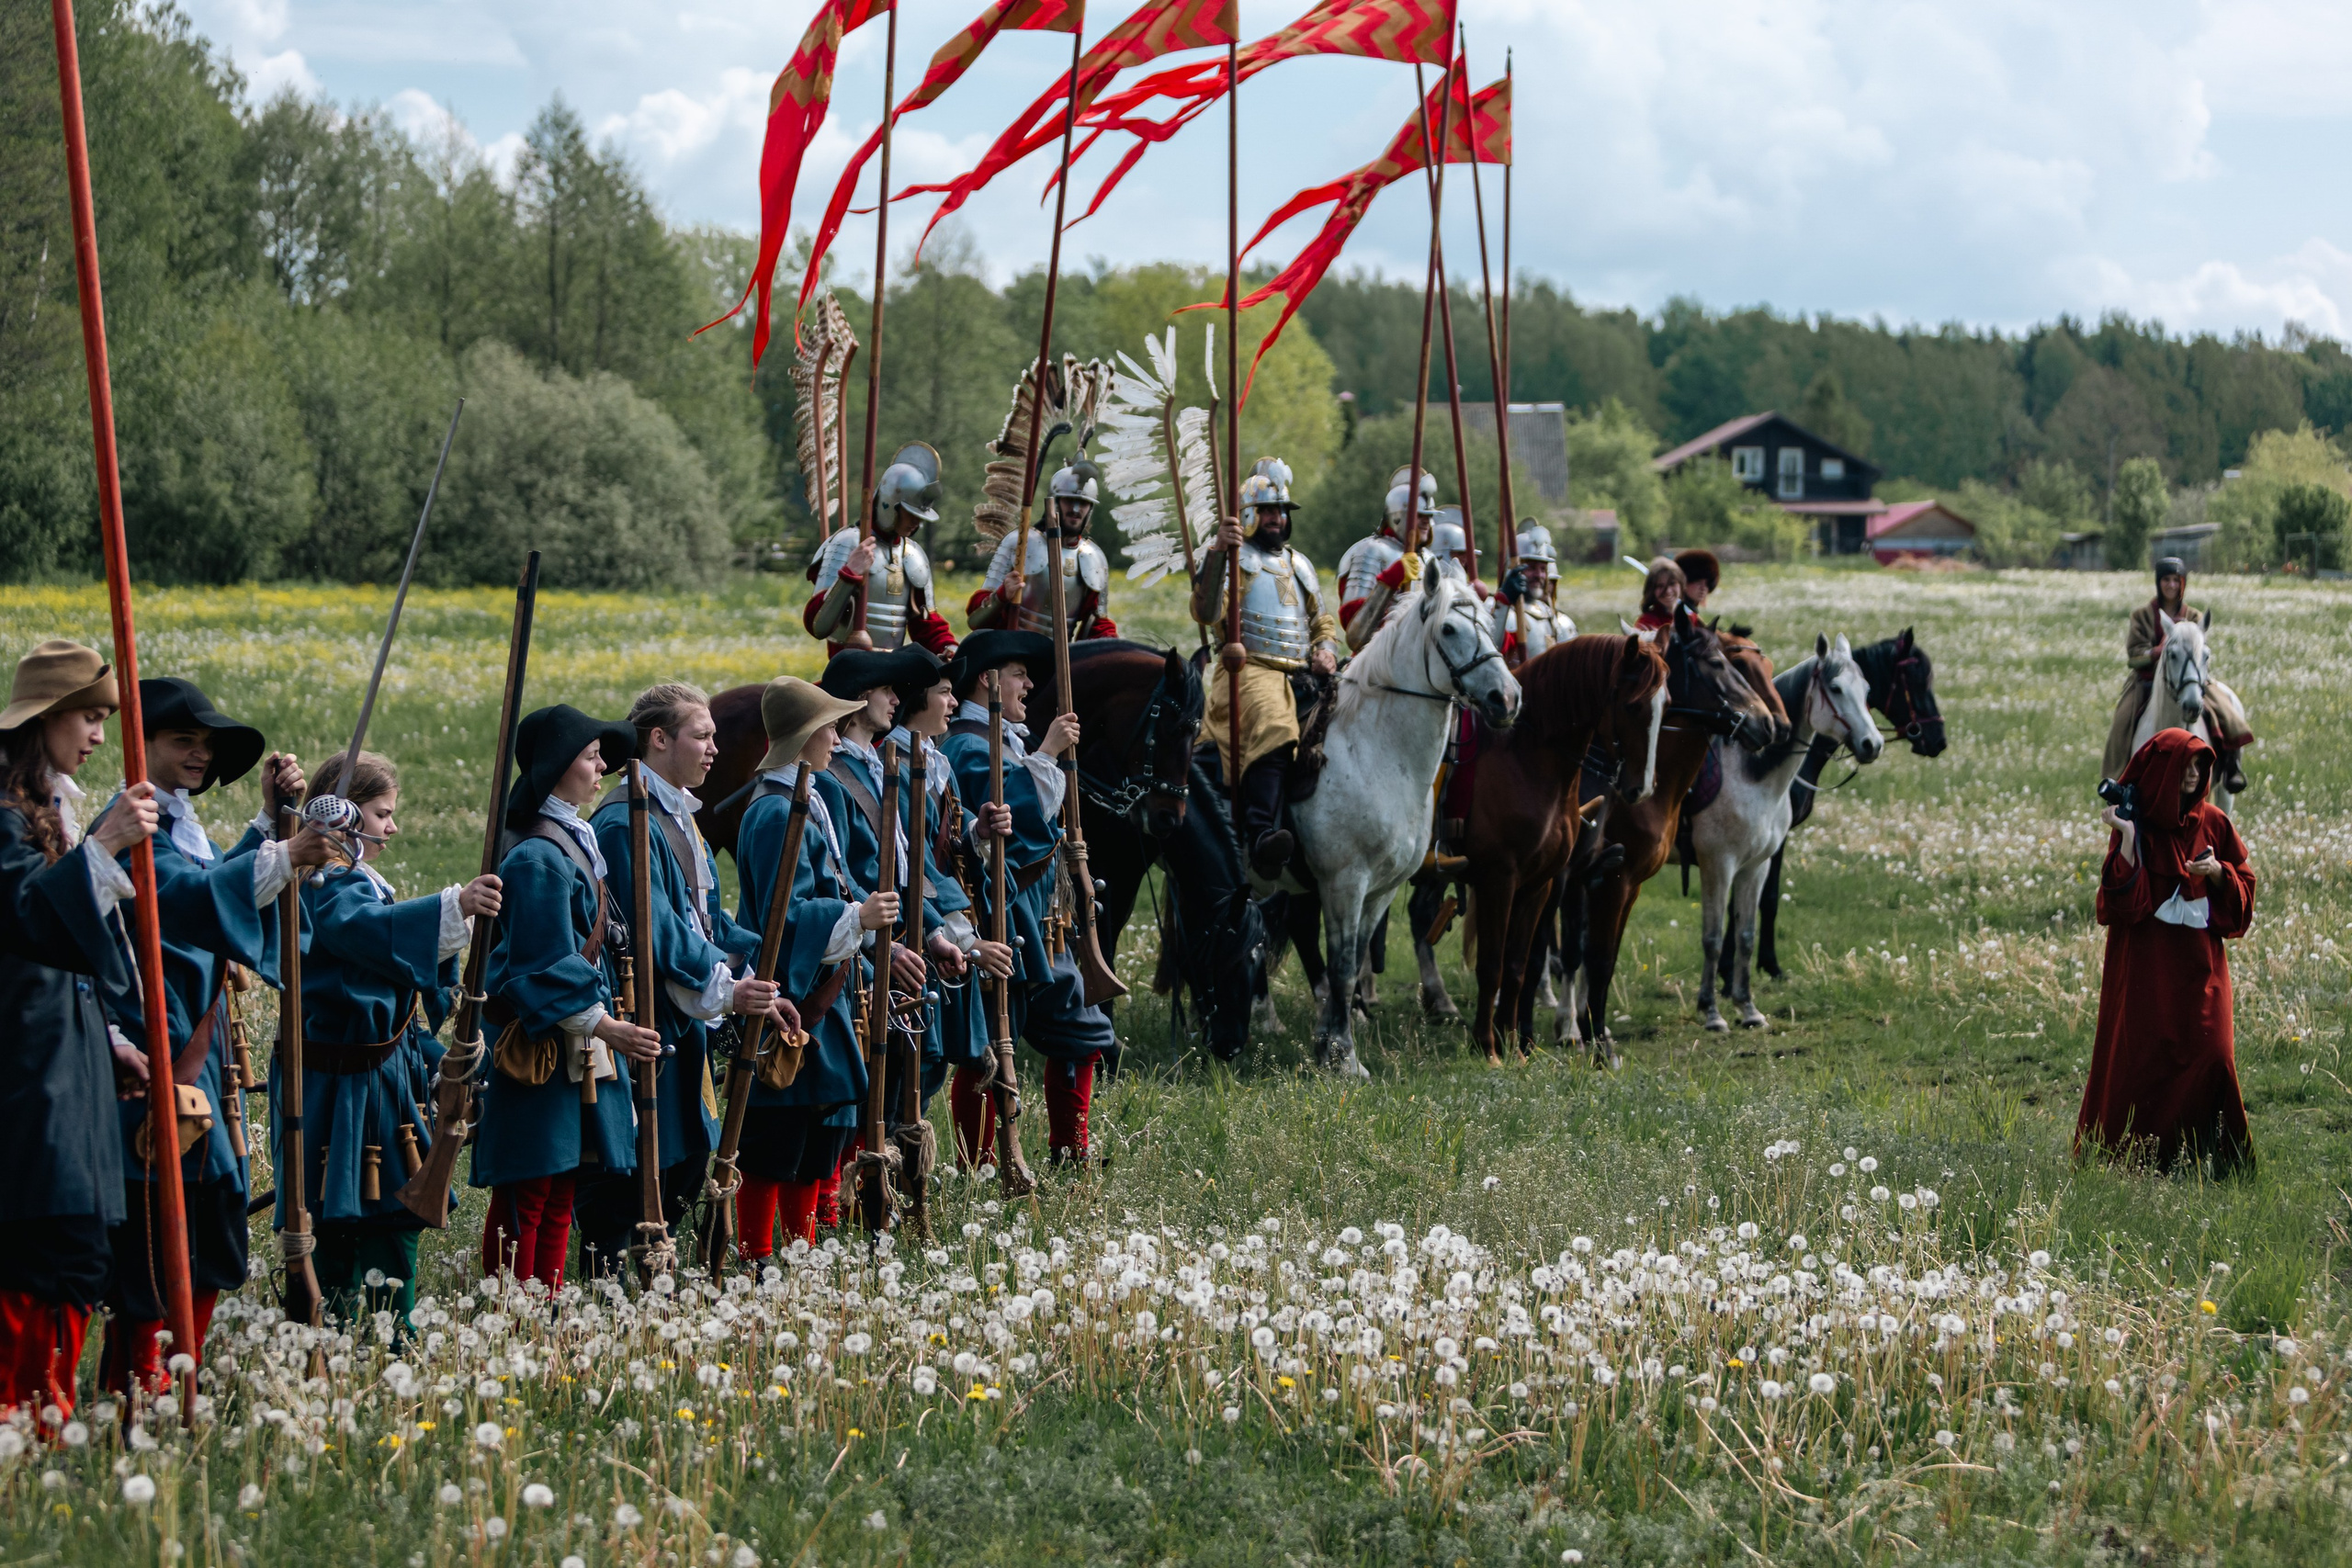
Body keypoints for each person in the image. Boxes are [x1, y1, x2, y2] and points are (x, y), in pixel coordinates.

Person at [100, 677, 338, 1395]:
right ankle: (140, 1393)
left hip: (195, 1066)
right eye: (183, 741)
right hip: (153, 1058)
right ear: (142, 743)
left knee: (206, 1235)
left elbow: (214, 883)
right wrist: (285, 853)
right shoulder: (131, 827)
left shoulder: (176, 826)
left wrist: (269, 826)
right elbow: (190, 899)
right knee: (154, 1247)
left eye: (206, 744)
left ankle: (181, 1380)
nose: (200, 754)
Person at [281, 750, 500, 1326]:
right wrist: (453, 906)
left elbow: (390, 957)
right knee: (363, 1212)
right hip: (348, 1081)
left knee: (375, 1210)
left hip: (377, 1073)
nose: (392, 827)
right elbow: (366, 933)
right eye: (381, 814)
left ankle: (369, 1331)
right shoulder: (329, 885)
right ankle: (358, 1331)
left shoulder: (354, 881)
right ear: (345, 816)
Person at [0, 642, 157, 1419]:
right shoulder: (3, 818)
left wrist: (110, 1040)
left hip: (71, 1065)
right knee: (42, 1251)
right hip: (27, 1076)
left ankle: (42, 1417)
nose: (98, 735)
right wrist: (101, 847)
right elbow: (30, 919)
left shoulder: (47, 811)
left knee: (76, 1252)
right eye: (88, 718)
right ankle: (25, 1419)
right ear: (46, 720)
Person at [580, 684, 784, 1273]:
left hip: (684, 1010)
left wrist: (749, 969)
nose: (715, 749)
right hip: (649, 1010)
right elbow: (656, 926)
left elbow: (702, 916)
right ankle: (613, 1276)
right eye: (702, 735)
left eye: (716, 735)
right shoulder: (626, 821)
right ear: (659, 739)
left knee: (688, 1154)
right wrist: (723, 986)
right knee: (639, 1162)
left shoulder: (678, 815)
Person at [472, 706, 661, 1290]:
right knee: (529, 1188)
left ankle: (545, 1306)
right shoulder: (537, 857)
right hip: (539, 1045)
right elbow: (540, 965)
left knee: (559, 1187)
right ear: (557, 769)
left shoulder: (566, 842)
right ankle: (512, 1311)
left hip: (568, 1040)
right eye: (589, 757)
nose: (602, 766)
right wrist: (605, 1026)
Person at [938, 630, 1115, 1168]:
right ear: (989, 681)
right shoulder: (968, 745)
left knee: (1077, 1027)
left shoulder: (1002, 737)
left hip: (1040, 913)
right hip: (1001, 911)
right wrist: (1048, 754)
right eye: (1019, 674)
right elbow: (1007, 826)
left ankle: (1070, 1149)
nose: (1030, 685)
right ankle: (982, 1165)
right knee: (989, 1042)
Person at [727, 678, 888, 1261]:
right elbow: (785, 916)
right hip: (795, 992)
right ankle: (758, 1255)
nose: (836, 738)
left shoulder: (806, 796)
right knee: (777, 1138)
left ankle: (803, 1251)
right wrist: (856, 916)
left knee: (816, 1134)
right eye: (827, 728)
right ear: (801, 737)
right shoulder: (774, 813)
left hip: (823, 986)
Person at [2077, 728, 2257, 1177]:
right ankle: (2144, 1161)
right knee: (2144, 1059)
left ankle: (2211, 1157)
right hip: (2147, 967)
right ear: (2162, 771)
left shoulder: (2214, 822)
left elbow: (2243, 894)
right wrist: (2128, 840)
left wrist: (2217, 872)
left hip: (2201, 968)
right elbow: (2121, 907)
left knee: (2213, 1053)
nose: (2194, 776)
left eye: (2200, 768)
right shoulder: (2136, 824)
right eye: (2185, 767)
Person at [1191, 463, 1342, 879]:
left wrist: (1327, 650)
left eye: (1282, 510)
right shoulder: (1236, 560)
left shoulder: (1300, 564)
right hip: (1249, 671)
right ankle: (1261, 836)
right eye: (1269, 510)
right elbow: (1206, 613)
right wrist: (1218, 553)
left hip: (1302, 672)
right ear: (1251, 515)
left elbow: (1322, 622)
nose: (1278, 518)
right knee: (1276, 724)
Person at [884, 659, 1012, 1126]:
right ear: (917, 700)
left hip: (945, 925)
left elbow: (948, 846)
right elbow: (910, 865)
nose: (954, 702)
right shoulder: (894, 767)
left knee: (936, 1062)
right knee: (912, 1065)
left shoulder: (937, 762)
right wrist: (965, 939)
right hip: (921, 929)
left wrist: (978, 831)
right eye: (943, 691)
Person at [2100, 557, 2255, 789]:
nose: (2171, 585)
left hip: (2189, 677)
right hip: (2148, 680)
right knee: (2122, 719)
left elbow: (2201, 650)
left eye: (2176, 580)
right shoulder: (2141, 616)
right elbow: (2133, 655)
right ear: (2158, 582)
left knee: (2224, 709)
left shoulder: (2194, 616)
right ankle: (2118, 780)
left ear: (2182, 583)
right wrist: (2155, 652)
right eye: (2166, 580)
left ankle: (2231, 765)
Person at [804, 445, 958, 658]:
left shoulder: (912, 555)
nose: (916, 522)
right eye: (910, 513)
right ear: (890, 505)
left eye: (919, 515)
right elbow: (817, 625)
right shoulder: (847, 542)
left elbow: (925, 624)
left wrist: (948, 647)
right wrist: (849, 574)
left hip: (892, 673)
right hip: (850, 671)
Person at [968, 458, 1120, 639]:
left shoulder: (1094, 558)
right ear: (1055, 502)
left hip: (1061, 660)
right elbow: (975, 618)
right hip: (1012, 654)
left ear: (1091, 509)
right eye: (1070, 501)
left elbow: (1097, 623)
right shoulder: (1021, 543)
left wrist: (1112, 644)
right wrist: (1002, 596)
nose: (1076, 509)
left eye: (1084, 503)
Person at [1339, 466, 1435, 650]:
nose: (1426, 521)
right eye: (1420, 515)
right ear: (1398, 516)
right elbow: (1356, 633)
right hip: (1377, 660)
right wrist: (1391, 580)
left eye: (1429, 516)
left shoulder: (1429, 559)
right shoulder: (1372, 551)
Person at [1497, 521, 1575, 665]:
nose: (1539, 575)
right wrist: (1503, 602)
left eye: (1543, 569)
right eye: (1531, 568)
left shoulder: (1548, 613)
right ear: (1513, 569)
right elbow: (1492, 647)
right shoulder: (1498, 610)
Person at [1634, 557, 1686, 630]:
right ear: (1652, 590)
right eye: (1660, 586)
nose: (1668, 591)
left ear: (1681, 584)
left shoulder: (1691, 618)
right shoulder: (1645, 623)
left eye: (1672, 583)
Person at [1675, 548, 1722, 613]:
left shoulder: (1689, 612)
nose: (1703, 588)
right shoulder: (1676, 613)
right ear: (1683, 581)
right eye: (1698, 582)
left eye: (1707, 583)